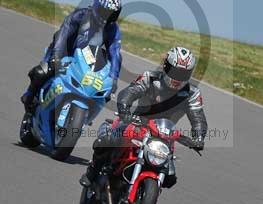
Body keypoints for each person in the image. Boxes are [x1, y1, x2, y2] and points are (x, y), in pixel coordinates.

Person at [80, 46, 207, 188]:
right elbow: (130, 92)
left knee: (170, 178)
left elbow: (198, 118)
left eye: (183, 74)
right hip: (136, 123)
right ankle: (92, 172)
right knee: (107, 140)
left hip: (164, 135)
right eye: (175, 71)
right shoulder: (150, 78)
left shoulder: (192, 93)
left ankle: (144, 200)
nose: (177, 78)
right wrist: (124, 109)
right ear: (166, 66)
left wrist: (198, 138)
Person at [21, 0, 122, 120]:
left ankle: (85, 117)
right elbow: (62, 34)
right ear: (97, 6)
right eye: (105, 11)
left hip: (87, 60)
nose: (106, 17)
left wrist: (113, 78)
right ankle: (29, 96)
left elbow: (115, 53)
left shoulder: (113, 29)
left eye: (112, 14)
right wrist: (55, 57)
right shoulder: (80, 15)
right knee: (42, 72)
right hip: (64, 52)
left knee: (105, 92)